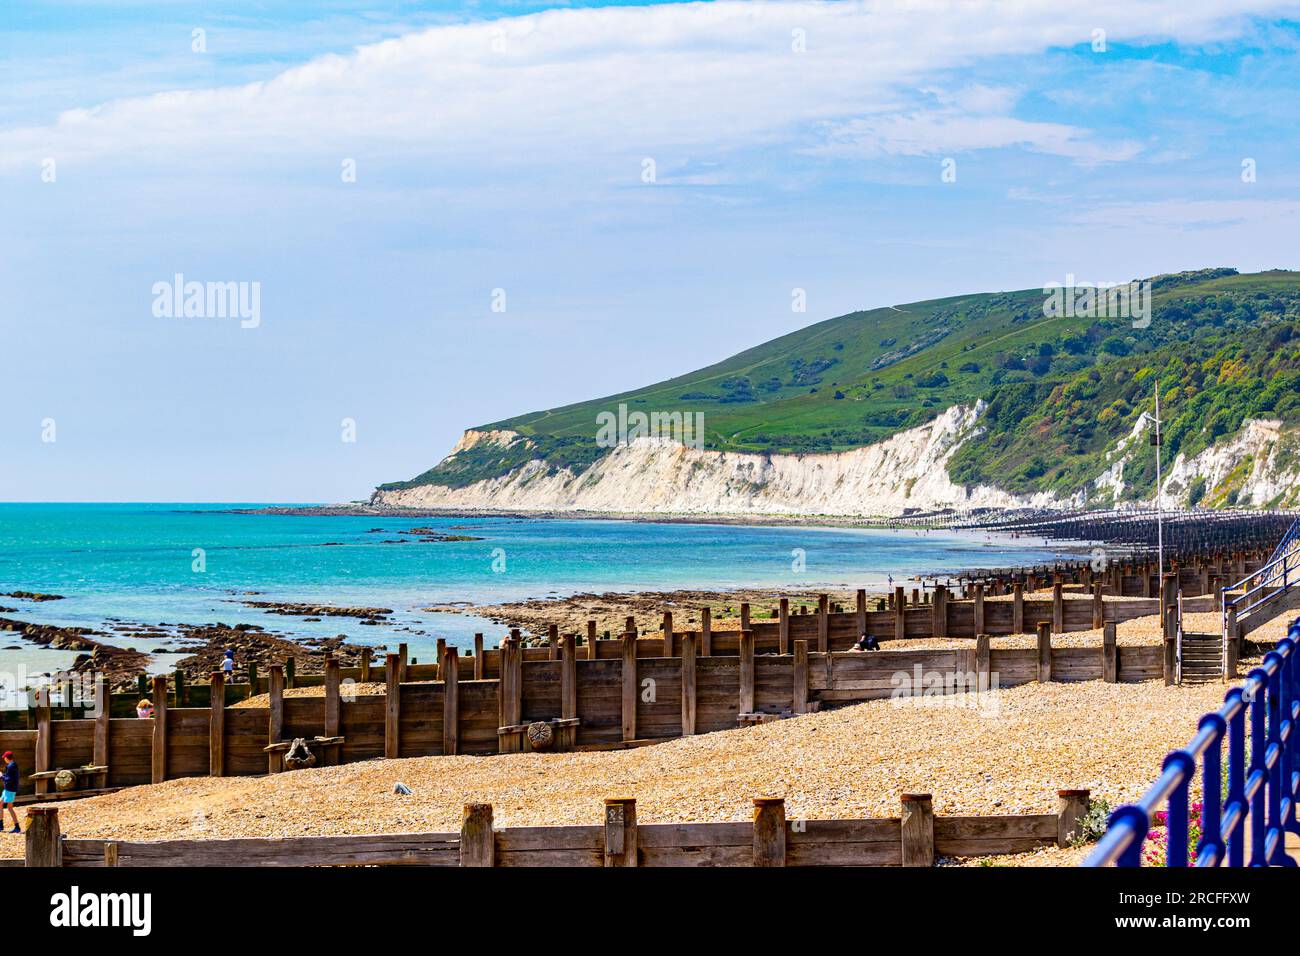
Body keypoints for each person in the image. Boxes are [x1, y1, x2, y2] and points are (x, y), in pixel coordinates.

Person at [2, 751, 19, 833]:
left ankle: (17, 827)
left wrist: (1, 776)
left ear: (6, 758)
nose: (4, 759)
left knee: (10, 808)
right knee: (0, 803)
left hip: (10, 789)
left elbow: (8, 780)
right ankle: (0, 825)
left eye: (4, 758)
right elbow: (9, 777)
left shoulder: (10, 767)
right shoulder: (13, 765)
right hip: (8, 789)